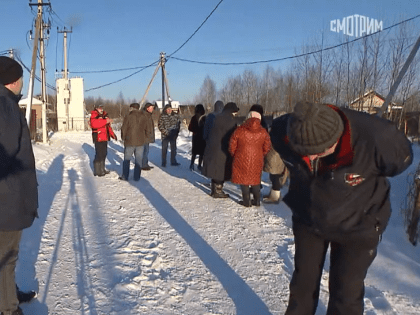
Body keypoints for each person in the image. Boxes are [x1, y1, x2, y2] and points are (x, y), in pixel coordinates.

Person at [270, 101, 413, 315]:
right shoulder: (283, 132)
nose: (310, 158)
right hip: (309, 218)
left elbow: (402, 161)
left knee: (346, 293)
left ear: (336, 137)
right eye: (304, 152)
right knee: (302, 286)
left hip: (359, 223)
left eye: (318, 151)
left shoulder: (379, 138)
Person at [0, 56, 39, 315]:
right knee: (6, 257)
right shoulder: (5, 107)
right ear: (14, 81)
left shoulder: (6, 105)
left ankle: (8, 294)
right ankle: (8, 308)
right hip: (6, 199)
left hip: (8, 196)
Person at [229, 109, 271, 207]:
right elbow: (267, 147)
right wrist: (261, 154)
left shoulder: (239, 130)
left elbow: (232, 145)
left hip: (241, 157)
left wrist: (235, 154)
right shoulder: (263, 131)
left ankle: (246, 201)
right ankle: (256, 201)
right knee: (255, 179)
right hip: (257, 158)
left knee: (244, 179)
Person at [202, 102, 239, 198]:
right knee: (220, 170)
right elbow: (233, 136)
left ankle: (214, 189)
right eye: (235, 112)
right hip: (222, 148)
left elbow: (207, 131)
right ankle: (217, 191)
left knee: (215, 168)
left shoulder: (216, 117)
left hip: (212, 147)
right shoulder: (230, 120)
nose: (236, 114)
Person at [120, 103, 149, 181]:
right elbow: (147, 129)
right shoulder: (144, 117)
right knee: (138, 160)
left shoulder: (128, 116)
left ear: (132, 108)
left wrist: (123, 138)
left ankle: (125, 176)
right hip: (140, 141)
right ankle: (137, 177)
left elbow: (124, 128)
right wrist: (145, 138)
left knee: (127, 159)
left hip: (130, 141)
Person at [90, 104, 117, 176]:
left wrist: (112, 135)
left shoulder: (104, 116)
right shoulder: (94, 115)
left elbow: (108, 128)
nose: (101, 109)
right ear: (96, 108)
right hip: (98, 137)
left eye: (101, 108)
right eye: (99, 108)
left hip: (105, 137)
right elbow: (94, 124)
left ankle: (102, 169)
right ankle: (97, 171)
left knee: (104, 154)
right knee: (99, 154)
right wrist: (106, 121)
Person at [188, 104, 206, 171]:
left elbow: (189, 128)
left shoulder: (194, 118)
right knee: (202, 153)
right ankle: (199, 165)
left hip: (195, 137)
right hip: (203, 138)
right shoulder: (205, 118)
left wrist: (195, 130)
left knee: (194, 152)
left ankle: (191, 165)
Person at [141, 102, 156, 171]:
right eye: (151, 107)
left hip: (146, 136)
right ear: (147, 108)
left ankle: (145, 163)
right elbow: (143, 126)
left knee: (146, 151)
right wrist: (147, 133)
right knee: (144, 151)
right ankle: (143, 165)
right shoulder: (144, 115)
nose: (152, 109)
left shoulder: (148, 115)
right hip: (144, 136)